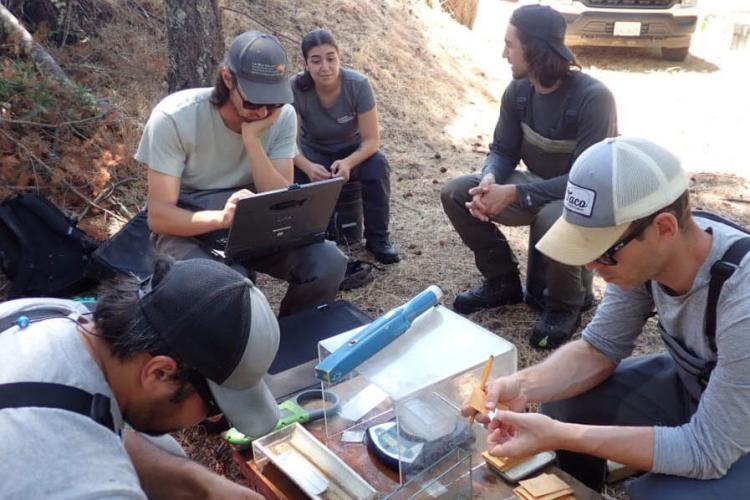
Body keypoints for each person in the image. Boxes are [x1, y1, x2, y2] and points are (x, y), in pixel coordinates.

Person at [465, 136, 750, 499]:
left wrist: (560, 435)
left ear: (663, 228)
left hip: (738, 432)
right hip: (700, 388)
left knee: (660, 494)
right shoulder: (650, 256)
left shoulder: (742, 298)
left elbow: (709, 450)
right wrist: (521, 385)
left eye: (605, 252)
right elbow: (599, 347)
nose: (591, 266)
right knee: (566, 403)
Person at [0, 257, 282, 498]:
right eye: (214, 407)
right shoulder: (81, 484)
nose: (207, 420)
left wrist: (197, 485)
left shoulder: (57, 316)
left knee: (164, 449)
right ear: (159, 372)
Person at [440, 5, 617, 348]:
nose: (503, 54)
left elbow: (587, 180)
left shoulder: (594, 98)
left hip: (584, 198)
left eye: (510, 44)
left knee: (553, 217)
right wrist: (490, 179)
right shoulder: (518, 91)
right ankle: (502, 283)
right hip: (534, 184)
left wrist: (515, 195)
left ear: (535, 49)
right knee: (456, 192)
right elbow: (502, 149)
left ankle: (567, 305)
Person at [136, 30, 347, 316]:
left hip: (254, 215)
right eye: (253, 102)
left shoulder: (281, 116)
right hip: (189, 223)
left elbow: (280, 197)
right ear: (227, 78)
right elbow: (160, 217)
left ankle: (290, 342)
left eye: (272, 101)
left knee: (328, 262)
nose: (262, 112)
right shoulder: (175, 117)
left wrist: (253, 141)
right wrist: (221, 218)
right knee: (230, 287)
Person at [291, 29, 399, 264]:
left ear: (339, 58)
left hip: (352, 151)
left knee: (378, 164)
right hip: (313, 152)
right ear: (306, 63)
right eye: (316, 60)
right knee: (294, 173)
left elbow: (371, 139)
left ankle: (378, 240)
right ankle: (308, 242)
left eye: (331, 58)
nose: (325, 67)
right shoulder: (296, 88)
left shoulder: (358, 85)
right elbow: (291, 143)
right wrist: (309, 167)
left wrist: (349, 162)